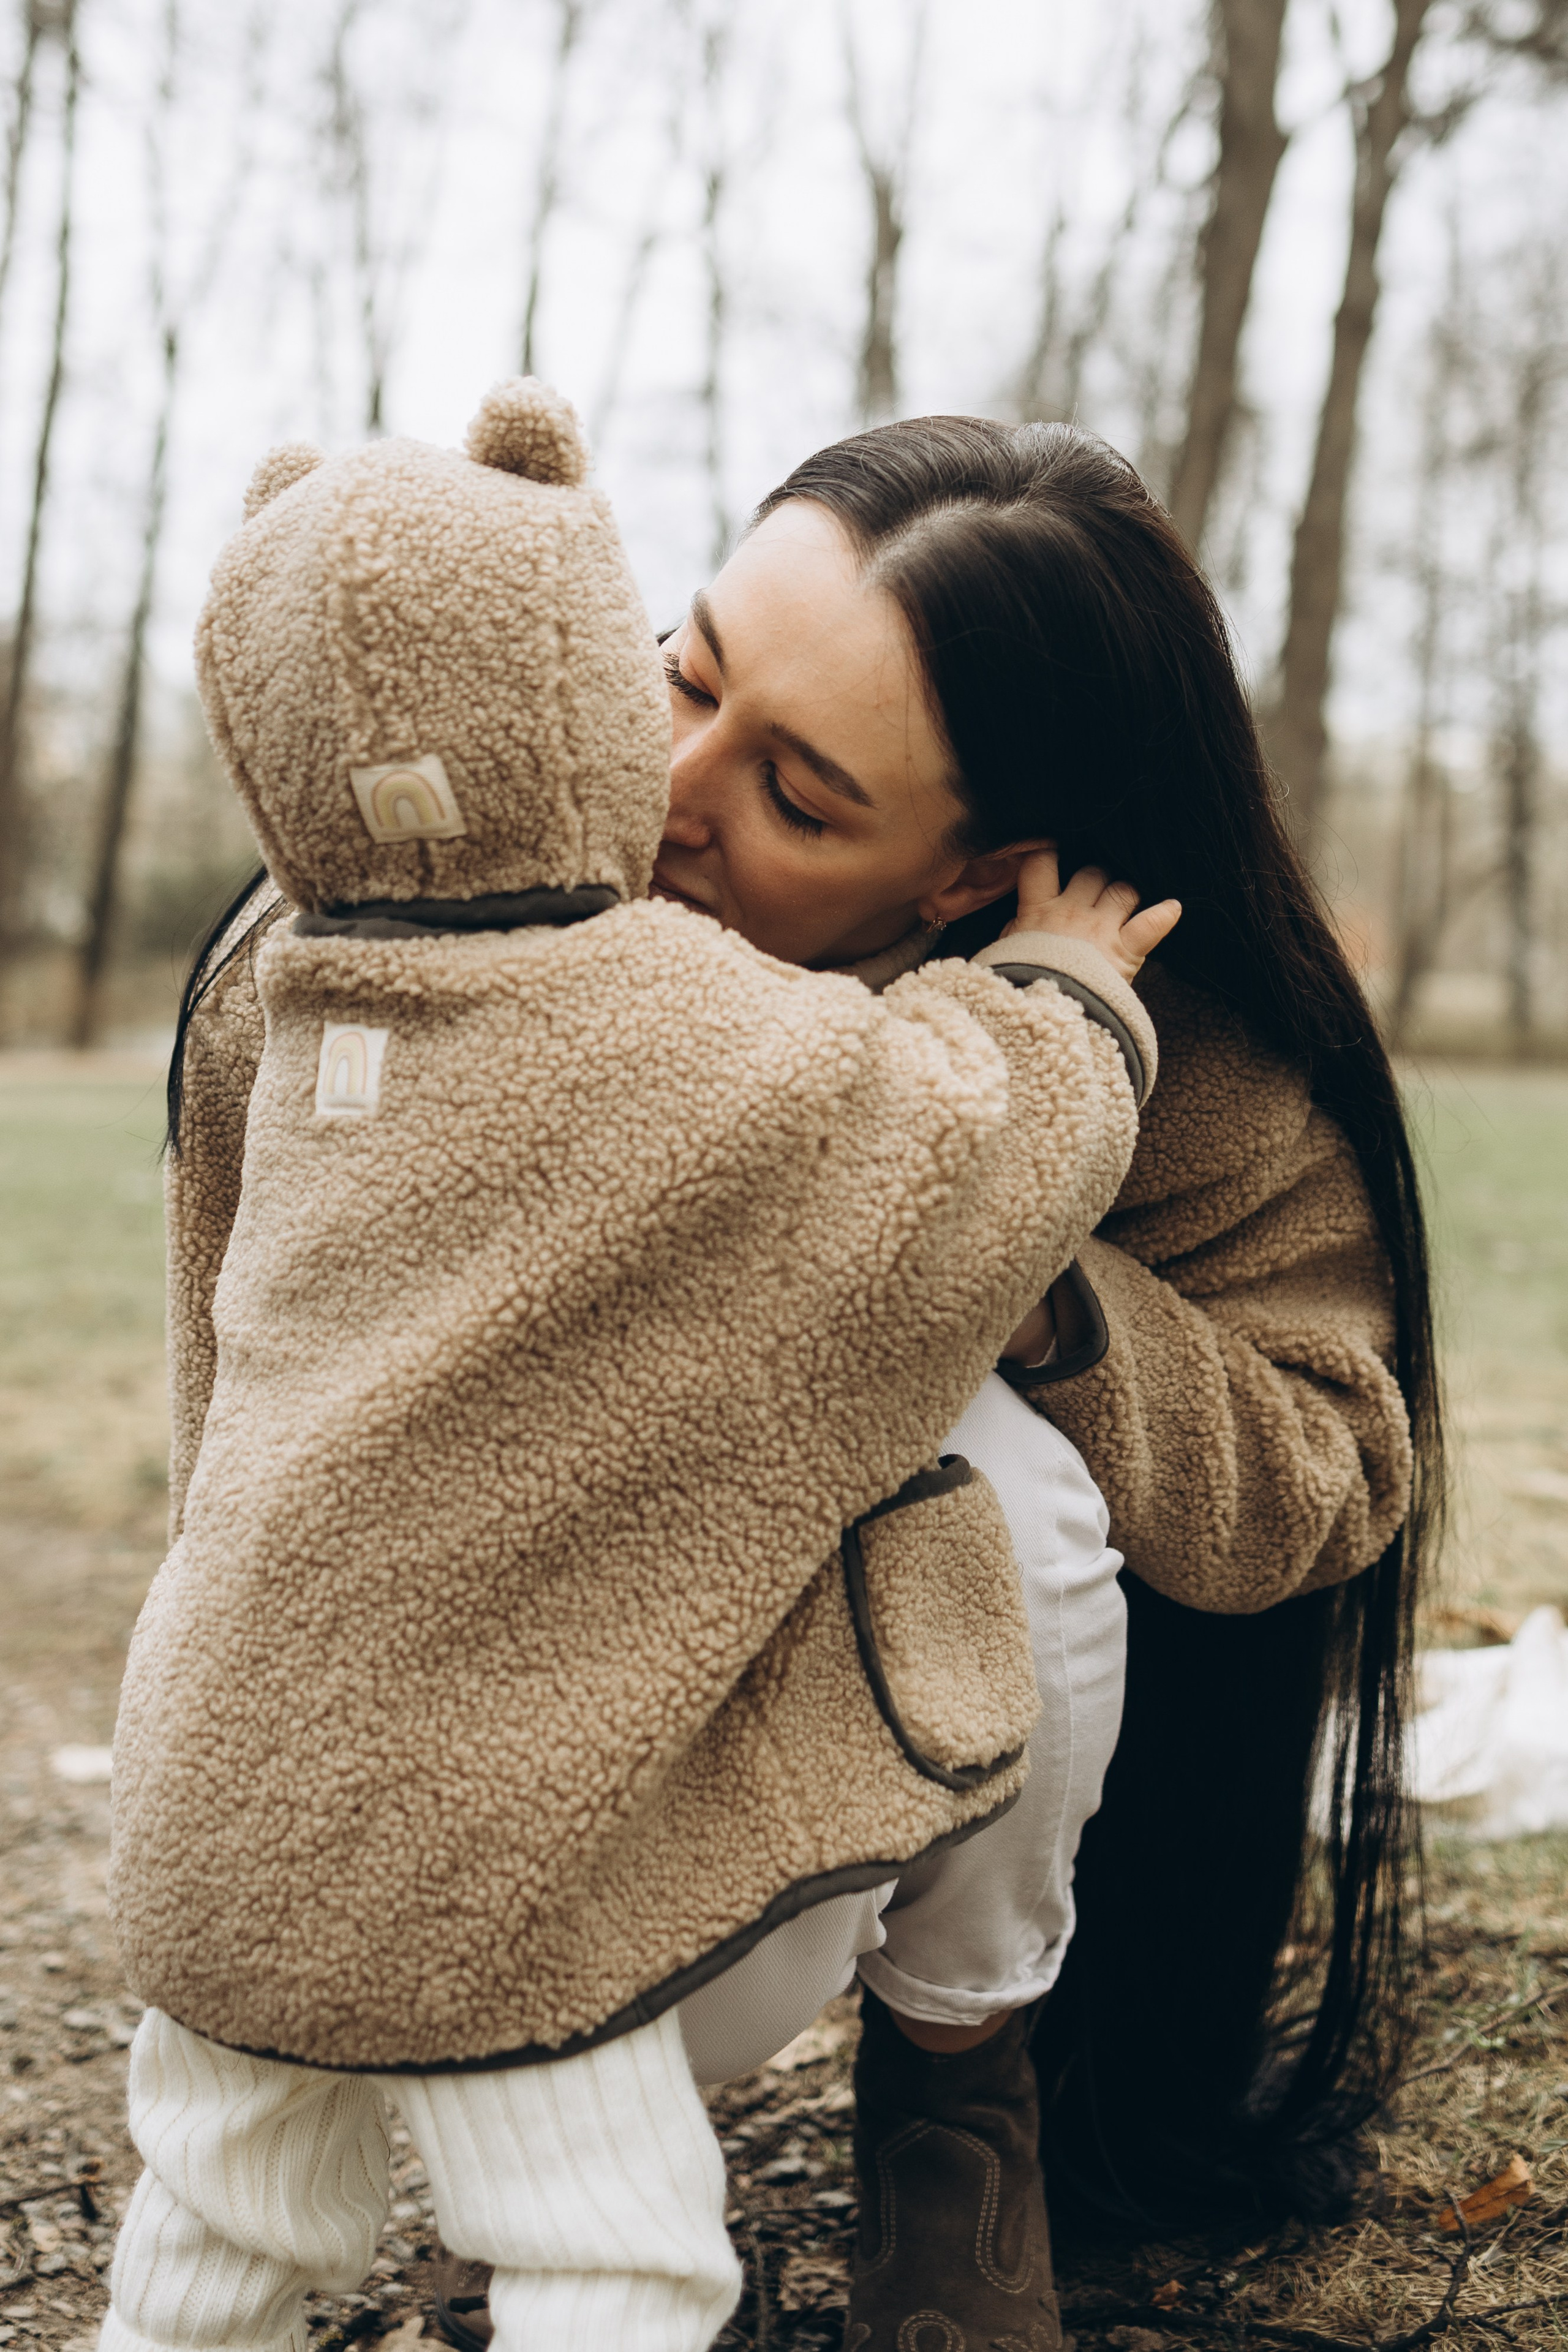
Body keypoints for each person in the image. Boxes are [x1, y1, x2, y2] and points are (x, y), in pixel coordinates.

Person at [157, 410, 1436, 2352]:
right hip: (458, 1799)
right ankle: (560, 2158)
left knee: (996, 1474)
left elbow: (1332, 1464)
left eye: (800, 799)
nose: (666, 786)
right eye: (683, 672)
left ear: (970, 889)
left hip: (865, 1807)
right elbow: (238, 1424)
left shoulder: (1161, 1049)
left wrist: (1014, 1270)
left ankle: (962, 2104)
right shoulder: (362, 958)